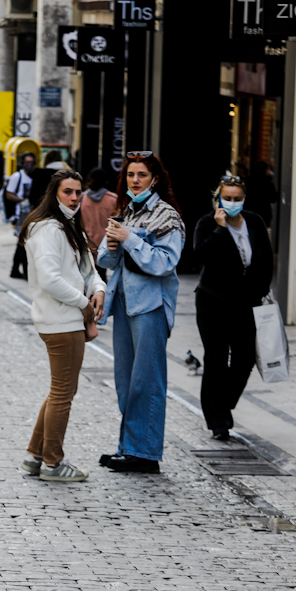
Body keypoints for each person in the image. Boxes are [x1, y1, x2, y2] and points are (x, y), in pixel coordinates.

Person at [97, 152, 186, 474]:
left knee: (146, 381)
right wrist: (109, 248)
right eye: (131, 174)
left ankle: (145, 453)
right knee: (125, 380)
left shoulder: (167, 216)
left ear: (155, 179)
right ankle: (129, 447)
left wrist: (130, 240)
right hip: (124, 303)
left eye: (142, 175)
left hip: (150, 306)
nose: (135, 180)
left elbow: (164, 263)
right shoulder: (124, 211)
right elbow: (106, 262)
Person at [19, 170, 107, 482]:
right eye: (67, 191)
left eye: (77, 192)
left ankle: (35, 455)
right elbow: (50, 279)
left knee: (59, 391)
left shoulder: (69, 226)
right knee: (63, 394)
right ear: (54, 194)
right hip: (60, 320)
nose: (73, 197)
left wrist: (98, 290)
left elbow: (88, 268)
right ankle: (53, 463)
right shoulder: (48, 228)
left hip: (66, 318)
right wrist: (83, 303)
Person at [193, 176, 274, 440]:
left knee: (245, 359)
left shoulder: (255, 222)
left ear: (244, 199)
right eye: (227, 198)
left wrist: (260, 292)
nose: (232, 203)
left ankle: (223, 405)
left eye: (237, 198)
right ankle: (217, 420)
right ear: (218, 199)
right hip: (212, 301)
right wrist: (220, 229)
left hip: (247, 303)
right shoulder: (207, 223)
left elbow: (266, 259)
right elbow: (201, 256)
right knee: (216, 359)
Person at [80, 168, 117, 281]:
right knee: (101, 278)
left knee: (86, 278)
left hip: (87, 245)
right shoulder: (113, 200)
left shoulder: (81, 199)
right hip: (106, 246)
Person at [6, 152, 37, 279]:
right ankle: (20, 270)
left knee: (23, 243)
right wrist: (21, 201)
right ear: (22, 163)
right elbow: (8, 194)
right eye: (27, 163)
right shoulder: (17, 177)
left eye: (31, 163)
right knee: (23, 243)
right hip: (21, 215)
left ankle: (16, 270)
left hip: (31, 214)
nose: (29, 165)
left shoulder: (35, 176)